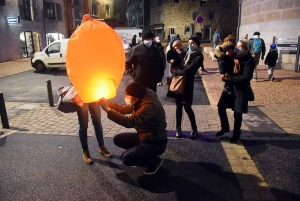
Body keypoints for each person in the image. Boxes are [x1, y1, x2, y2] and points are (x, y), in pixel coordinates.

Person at [97, 82, 168, 175]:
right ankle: (142, 154)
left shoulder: (149, 105)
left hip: (155, 142)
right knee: (118, 139)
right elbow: (124, 109)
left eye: (128, 96)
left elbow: (130, 122)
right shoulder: (140, 99)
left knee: (125, 159)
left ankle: (154, 161)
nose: (127, 98)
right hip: (144, 137)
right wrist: (106, 102)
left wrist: (107, 110)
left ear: (135, 96)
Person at [216, 39, 255, 143]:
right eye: (237, 46)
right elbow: (221, 60)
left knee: (237, 113)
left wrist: (230, 79)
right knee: (221, 107)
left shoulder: (249, 60)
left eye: (240, 47)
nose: (237, 48)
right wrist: (223, 74)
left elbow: (246, 77)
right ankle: (225, 128)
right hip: (230, 87)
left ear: (246, 49)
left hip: (241, 89)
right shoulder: (233, 56)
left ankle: (236, 134)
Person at [172, 36, 204, 139]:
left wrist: (176, 72)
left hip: (188, 85)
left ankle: (194, 129)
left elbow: (188, 71)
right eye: (189, 43)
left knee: (187, 107)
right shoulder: (186, 54)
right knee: (178, 107)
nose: (190, 45)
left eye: (193, 43)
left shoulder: (199, 57)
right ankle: (178, 128)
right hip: (180, 84)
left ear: (198, 44)